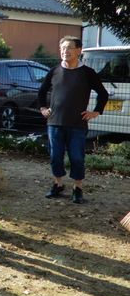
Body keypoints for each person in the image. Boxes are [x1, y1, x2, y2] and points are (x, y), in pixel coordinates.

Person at [37, 36, 108, 204]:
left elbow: (103, 94)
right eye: (62, 48)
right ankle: (58, 184)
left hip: (77, 124)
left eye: (69, 48)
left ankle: (78, 188)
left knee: (77, 157)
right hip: (54, 122)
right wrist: (43, 108)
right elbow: (41, 92)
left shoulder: (87, 73)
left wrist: (95, 112)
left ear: (79, 51)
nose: (65, 51)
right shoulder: (54, 71)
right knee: (55, 156)